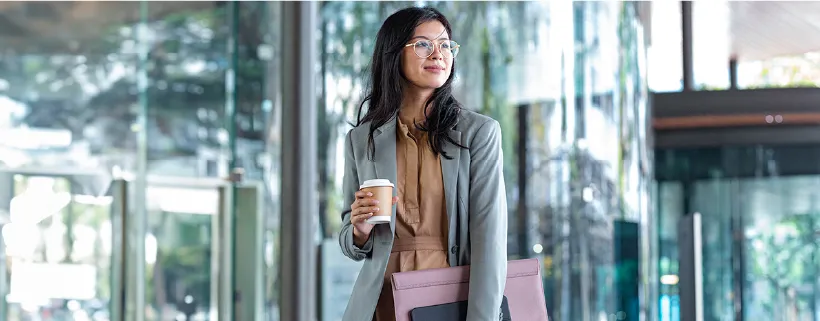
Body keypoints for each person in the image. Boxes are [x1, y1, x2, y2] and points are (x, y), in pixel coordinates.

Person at [338, 6, 508, 321]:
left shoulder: (479, 133)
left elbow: (490, 241)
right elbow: (351, 244)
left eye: (445, 45)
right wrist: (359, 230)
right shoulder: (361, 140)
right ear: (394, 54)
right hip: (381, 304)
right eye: (423, 45)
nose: (438, 54)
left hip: (450, 303)